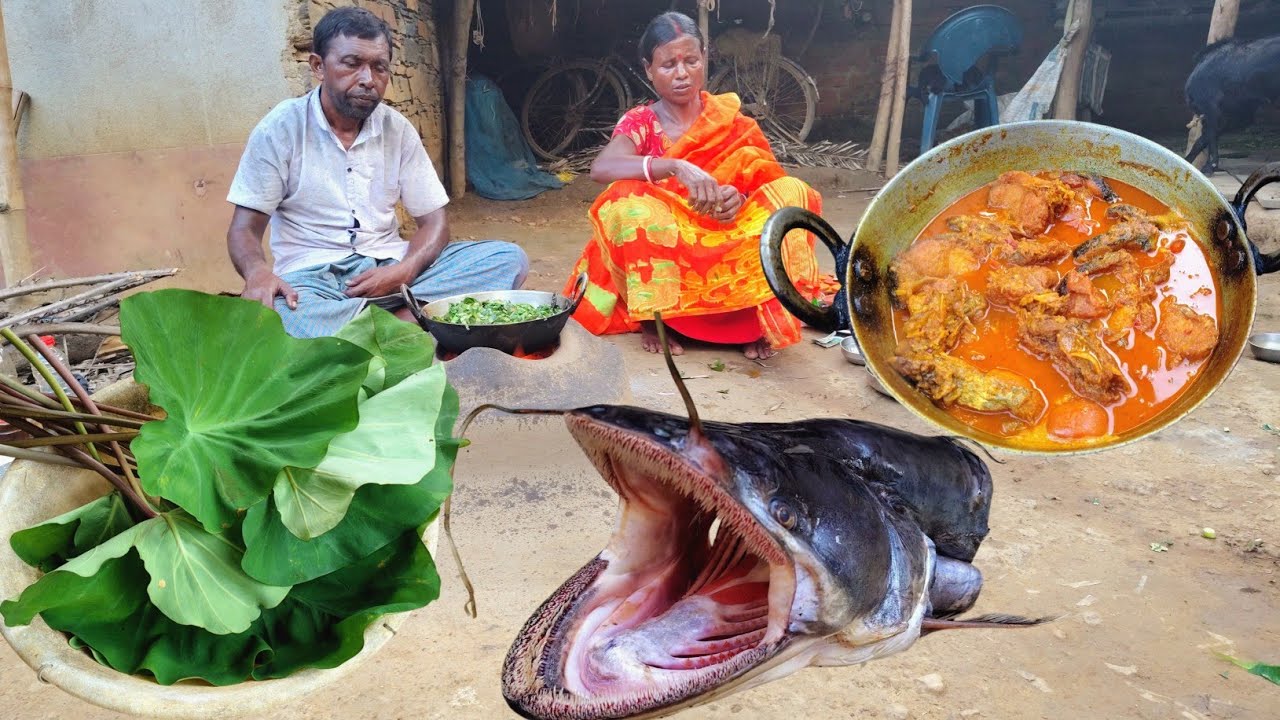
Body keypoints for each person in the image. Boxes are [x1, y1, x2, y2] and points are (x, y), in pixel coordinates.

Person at [226, 7, 528, 338]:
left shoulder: (397, 129)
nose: (368, 80)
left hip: (392, 269)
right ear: (317, 66)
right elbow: (244, 229)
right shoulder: (280, 129)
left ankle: (377, 332)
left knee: (507, 259)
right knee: (285, 316)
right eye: (352, 64)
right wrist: (256, 272)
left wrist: (407, 269)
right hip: (316, 282)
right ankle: (412, 323)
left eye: (379, 67)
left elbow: (435, 222)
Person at [562, 11, 823, 359]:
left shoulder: (733, 121)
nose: (682, 73)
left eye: (691, 61)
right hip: (671, 245)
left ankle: (754, 315)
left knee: (793, 195)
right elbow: (602, 167)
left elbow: (765, 180)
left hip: (727, 234)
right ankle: (656, 318)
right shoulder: (641, 122)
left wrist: (740, 199)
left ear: (705, 59)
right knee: (621, 199)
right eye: (668, 64)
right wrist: (674, 166)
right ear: (648, 70)